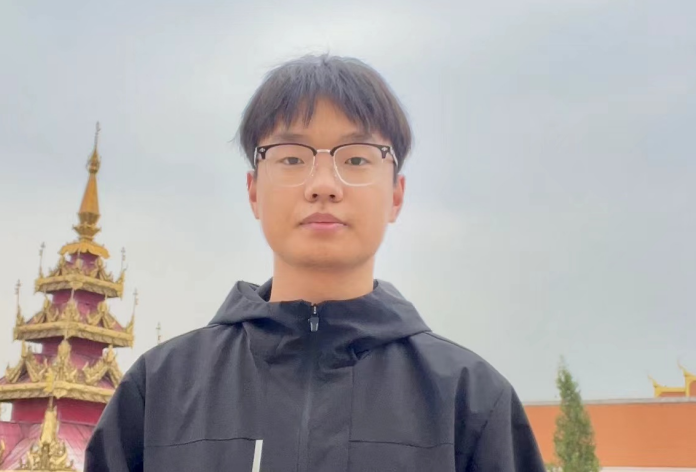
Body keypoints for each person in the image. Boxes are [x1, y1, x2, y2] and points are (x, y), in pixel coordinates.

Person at [84, 54, 545, 472]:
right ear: (253, 191)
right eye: (291, 158)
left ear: (396, 195)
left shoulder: (470, 402)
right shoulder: (159, 391)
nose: (323, 184)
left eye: (357, 158)